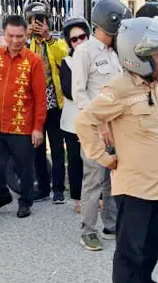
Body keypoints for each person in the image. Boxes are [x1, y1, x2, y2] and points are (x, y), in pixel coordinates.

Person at [76, 16, 158, 283]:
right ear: (138, 53)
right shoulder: (120, 87)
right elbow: (86, 121)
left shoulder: (157, 82)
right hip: (134, 185)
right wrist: (103, 157)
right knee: (130, 249)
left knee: (155, 244)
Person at [72, 0, 129, 251]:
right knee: (93, 179)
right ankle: (88, 230)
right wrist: (100, 122)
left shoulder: (116, 52)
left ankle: (110, 224)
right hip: (95, 128)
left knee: (112, 177)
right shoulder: (84, 52)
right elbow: (79, 94)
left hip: (117, 127)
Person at [0, 14, 46, 219]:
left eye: (20, 36)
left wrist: (38, 127)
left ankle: (25, 201)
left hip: (22, 125)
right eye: (11, 36)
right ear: (4, 35)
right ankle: (1, 195)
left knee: (24, 167)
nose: (15, 41)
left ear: (26, 36)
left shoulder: (34, 61)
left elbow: (40, 97)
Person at [25, 1, 69, 204]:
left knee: (58, 148)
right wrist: (26, 36)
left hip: (55, 103)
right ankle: (43, 188)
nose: (37, 25)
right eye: (33, 21)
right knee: (37, 148)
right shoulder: (26, 43)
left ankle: (58, 189)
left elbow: (64, 57)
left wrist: (48, 37)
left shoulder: (56, 42)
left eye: (40, 20)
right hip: (35, 105)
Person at [58, 16, 89, 215]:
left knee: (96, 160)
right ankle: (78, 199)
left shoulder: (97, 58)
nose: (79, 42)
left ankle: (98, 197)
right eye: (74, 39)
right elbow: (69, 90)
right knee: (76, 160)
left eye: (82, 37)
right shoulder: (67, 62)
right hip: (72, 121)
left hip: (94, 119)